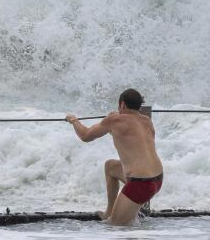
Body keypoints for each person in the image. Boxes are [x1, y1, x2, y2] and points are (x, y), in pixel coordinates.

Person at [65, 88, 163, 226]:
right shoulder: (146, 120)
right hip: (157, 180)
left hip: (140, 184)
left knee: (114, 227)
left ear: (122, 104)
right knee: (110, 166)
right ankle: (109, 212)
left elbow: (85, 136)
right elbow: (131, 139)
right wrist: (114, 120)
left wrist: (73, 120)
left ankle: (119, 223)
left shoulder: (114, 120)